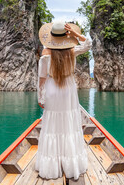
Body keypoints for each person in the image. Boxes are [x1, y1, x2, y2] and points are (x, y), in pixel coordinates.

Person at [35, 21, 92, 180]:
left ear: (51, 37)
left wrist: (41, 97)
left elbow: (41, 80)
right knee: (68, 123)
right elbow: (88, 44)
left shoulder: (45, 54)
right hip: (68, 90)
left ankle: (53, 165)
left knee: (52, 125)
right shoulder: (72, 50)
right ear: (64, 37)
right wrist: (75, 35)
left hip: (52, 89)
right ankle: (70, 162)